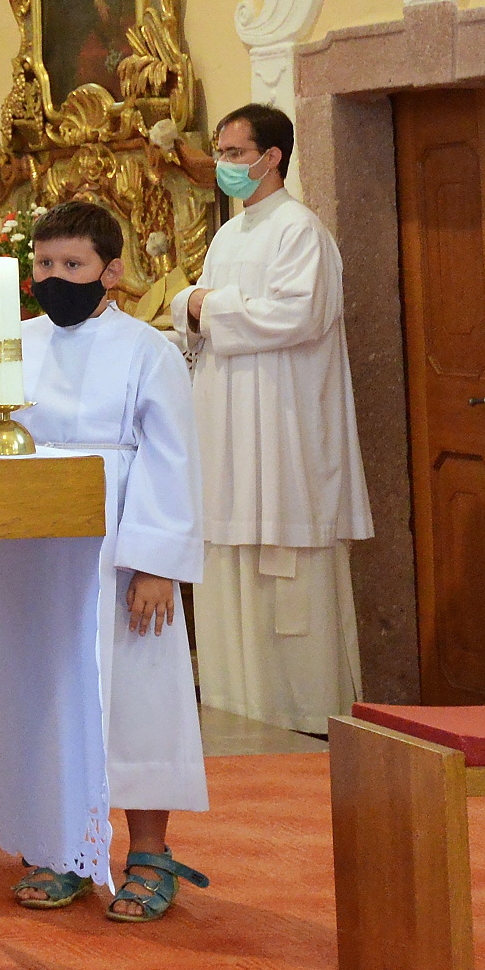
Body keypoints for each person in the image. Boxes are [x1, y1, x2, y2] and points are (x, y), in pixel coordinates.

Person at [0, 201, 210, 923]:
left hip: (121, 555)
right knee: (49, 696)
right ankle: (63, 845)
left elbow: (171, 457)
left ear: (111, 272)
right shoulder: (13, 345)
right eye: (44, 264)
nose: (55, 277)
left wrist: (156, 564)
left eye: (73, 264)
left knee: (137, 699)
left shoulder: (147, 350)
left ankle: (150, 853)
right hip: (36, 558)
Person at [178, 102, 371, 736]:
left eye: (234, 153)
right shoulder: (228, 236)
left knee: (291, 586)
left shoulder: (300, 231)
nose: (224, 164)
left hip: (283, 436)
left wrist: (206, 306)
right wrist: (195, 307)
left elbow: (296, 315)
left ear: (272, 157)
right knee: (228, 576)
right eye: (221, 153)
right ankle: (238, 714)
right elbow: (196, 313)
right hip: (229, 437)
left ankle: (305, 718)